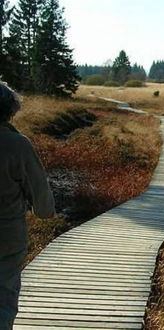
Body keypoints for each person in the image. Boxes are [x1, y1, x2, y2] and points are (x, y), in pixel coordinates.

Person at [0, 82, 55, 329]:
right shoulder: (17, 145)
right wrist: (45, 211)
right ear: (10, 110)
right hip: (6, 237)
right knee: (3, 296)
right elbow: (39, 191)